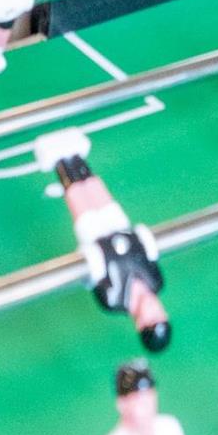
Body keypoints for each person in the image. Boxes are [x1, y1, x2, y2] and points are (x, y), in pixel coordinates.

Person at [41, 128, 172, 349]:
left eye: (152, 319)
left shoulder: (113, 299)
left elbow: (91, 274)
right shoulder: (156, 282)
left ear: (140, 324)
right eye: (161, 314)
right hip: (121, 229)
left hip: (96, 238)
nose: (155, 310)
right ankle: (78, 160)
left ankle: (62, 165)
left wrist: (91, 258)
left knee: (78, 196)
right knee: (96, 190)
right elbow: (149, 253)